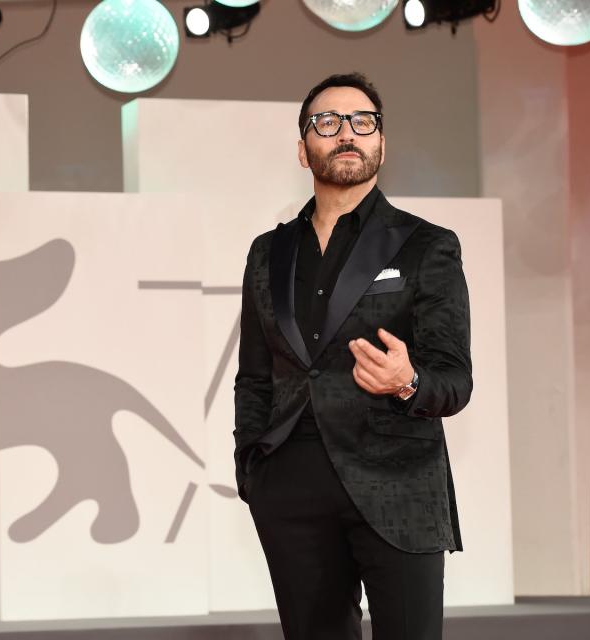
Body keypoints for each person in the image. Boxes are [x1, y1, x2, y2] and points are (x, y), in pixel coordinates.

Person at [233, 72, 472, 640]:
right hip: (291, 486)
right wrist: (252, 466)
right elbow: (254, 374)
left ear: (381, 145)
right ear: (303, 148)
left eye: (363, 122)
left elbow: (454, 379)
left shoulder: (428, 245)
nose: (347, 133)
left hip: (399, 482)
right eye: (328, 122)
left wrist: (408, 380)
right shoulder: (269, 252)